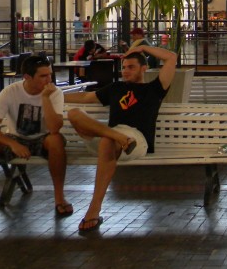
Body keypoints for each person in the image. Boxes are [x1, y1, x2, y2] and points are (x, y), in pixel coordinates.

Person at [64, 45, 177, 233]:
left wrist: (142, 47)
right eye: (124, 67)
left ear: (143, 68)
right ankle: (115, 135)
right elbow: (85, 97)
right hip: (112, 139)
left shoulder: (154, 89)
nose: (125, 71)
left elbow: (171, 57)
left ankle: (93, 209)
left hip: (136, 141)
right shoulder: (116, 88)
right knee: (75, 113)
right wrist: (55, 95)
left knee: (108, 140)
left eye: (131, 67)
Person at [0, 55, 70, 221]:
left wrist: (45, 98)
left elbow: (55, 128)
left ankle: (60, 198)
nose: (49, 79)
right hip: (15, 137)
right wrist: (12, 143)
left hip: (44, 138)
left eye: (50, 74)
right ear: (27, 77)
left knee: (55, 140)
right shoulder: (11, 92)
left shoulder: (54, 93)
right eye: (43, 76)